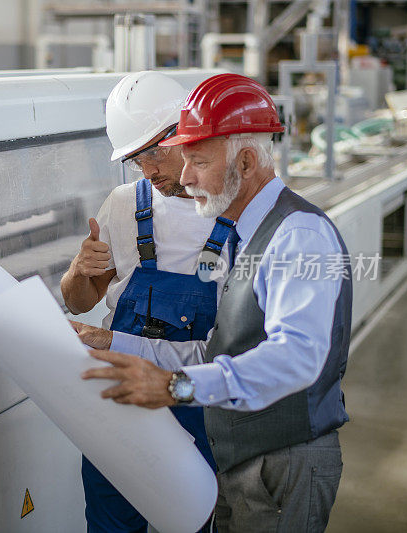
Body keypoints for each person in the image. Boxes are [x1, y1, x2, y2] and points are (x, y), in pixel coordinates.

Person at [81, 73, 350, 532]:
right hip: (241, 462)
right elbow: (215, 351)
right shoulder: (241, 239)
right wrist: (117, 343)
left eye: (198, 162)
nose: (184, 178)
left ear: (245, 162)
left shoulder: (298, 235)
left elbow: (298, 357)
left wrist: (176, 388)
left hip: (282, 466)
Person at [61, 71, 233, 533]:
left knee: (198, 519)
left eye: (155, 152)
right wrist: (79, 271)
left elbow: (234, 350)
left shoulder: (234, 214)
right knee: (111, 522)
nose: (149, 170)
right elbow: (77, 303)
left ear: (188, 133)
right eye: (138, 160)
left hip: (199, 404)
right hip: (120, 406)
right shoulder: (123, 204)